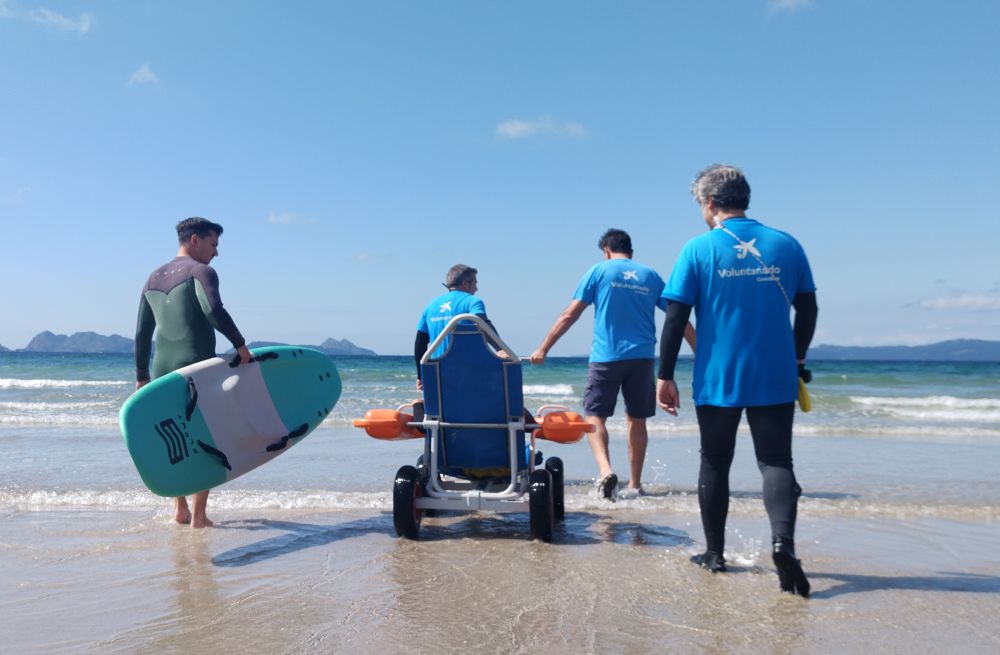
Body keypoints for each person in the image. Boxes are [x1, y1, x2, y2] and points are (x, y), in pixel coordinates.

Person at [656, 164, 818, 597]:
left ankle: (714, 554)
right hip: (775, 372)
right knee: (776, 461)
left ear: (709, 203)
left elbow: (675, 317)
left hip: (718, 374)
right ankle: (783, 543)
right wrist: (797, 356)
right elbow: (808, 308)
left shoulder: (698, 249)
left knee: (715, 462)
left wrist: (664, 375)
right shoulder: (786, 243)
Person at [530, 229, 694, 499]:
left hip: (606, 357)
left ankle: (606, 471)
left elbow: (570, 314)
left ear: (606, 250)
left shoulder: (599, 271)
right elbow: (678, 317)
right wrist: (699, 351)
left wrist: (543, 348)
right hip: (642, 358)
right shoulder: (650, 275)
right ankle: (635, 485)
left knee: (594, 415)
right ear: (631, 251)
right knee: (637, 420)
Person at [134, 217, 252, 528]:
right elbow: (213, 309)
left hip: (161, 373)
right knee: (207, 437)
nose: (216, 252)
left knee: (177, 439)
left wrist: (142, 377)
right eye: (213, 244)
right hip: (196, 368)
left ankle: (180, 508)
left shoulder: (152, 278)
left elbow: (142, 333)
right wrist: (240, 345)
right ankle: (199, 516)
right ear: (195, 240)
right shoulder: (201, 272)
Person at [414, 264, 506, 390]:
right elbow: (482, 323)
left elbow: (420, 342)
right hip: (468, 374)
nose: (477, 288)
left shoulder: (430, 306)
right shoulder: (472, 301)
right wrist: (500, 349)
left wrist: (421, 375)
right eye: (475, 283)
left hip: (437, 374)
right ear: (465, 284)